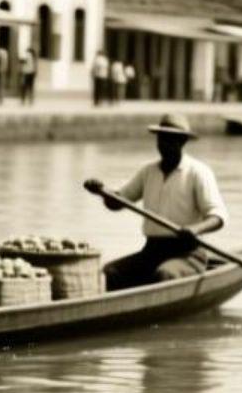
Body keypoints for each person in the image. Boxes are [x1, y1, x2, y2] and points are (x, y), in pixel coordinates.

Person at [84, 113, 228, 290]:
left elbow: (218, 217)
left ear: (182, 142)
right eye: (161, 139)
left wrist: (194, 229)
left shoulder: (198, 172)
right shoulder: (148, 171)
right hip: (152, 252)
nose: (164, 144)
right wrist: (103, 193)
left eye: (170, 139)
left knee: (164, 275)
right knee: (109, 273)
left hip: (187, 254)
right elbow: (118, 203)